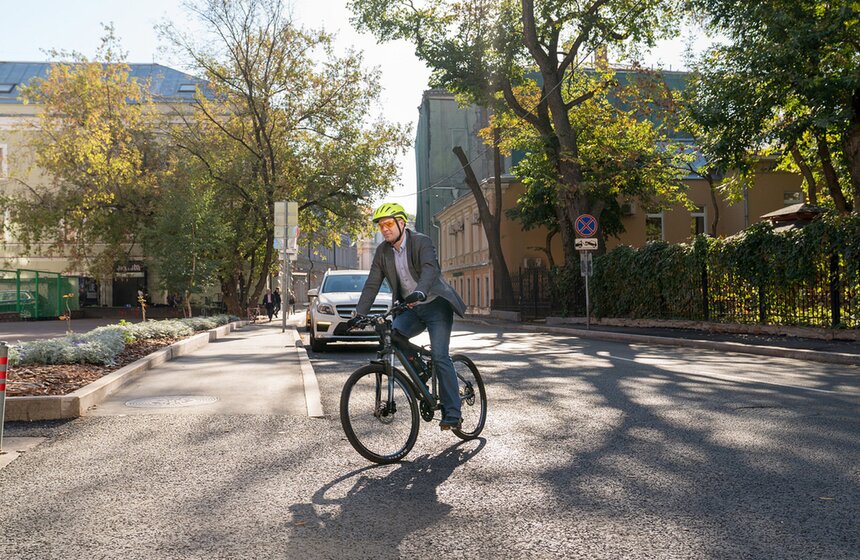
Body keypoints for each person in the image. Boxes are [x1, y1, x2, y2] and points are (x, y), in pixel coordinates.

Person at [350, 202, 467, 431]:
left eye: (388, 224)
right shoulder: (383, 251)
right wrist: (358, 314)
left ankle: (453, 413)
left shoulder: (421, 241)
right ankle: (422, 370)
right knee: (393, 337)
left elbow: (430, 269)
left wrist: (421, 290)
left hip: (435, 305)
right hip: (410, 309)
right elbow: (372, 284)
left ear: (401, 223)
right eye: (381, 226)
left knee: (441, 356)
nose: (384, 229)